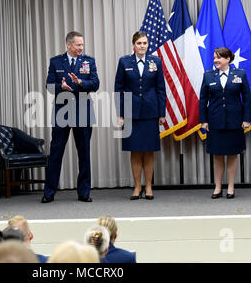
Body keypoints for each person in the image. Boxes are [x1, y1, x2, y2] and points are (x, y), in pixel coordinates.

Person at [42, 31, 100, 203]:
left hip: (83, 112)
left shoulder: (89, 61)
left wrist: (81, 83)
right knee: (56, 153)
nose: (81, 48)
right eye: (78, 45)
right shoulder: (56, 61)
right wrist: (61, 87)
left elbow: (96, 84)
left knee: (84, 154)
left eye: (82, 45)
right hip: (62, 112)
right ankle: (49, 192)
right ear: (69, 45)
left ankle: (84, 192)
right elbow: (49, 86)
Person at [114, 31, 166, 200]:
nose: (142, 46)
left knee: (149, 151)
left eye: (144, 43)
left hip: (151, 112)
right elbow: (119, 89)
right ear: (133, 45)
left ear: (147, 44)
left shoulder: (156, 61)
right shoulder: (124, 62)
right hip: (131, 113)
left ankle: (149, 187)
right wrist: (120, 113)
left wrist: (161, 113)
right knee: (135, 151)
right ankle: (137, 187)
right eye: (139, 43)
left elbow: (160, 89)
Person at [199, 47, 251, 199]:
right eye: (214, 57)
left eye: (219, 57)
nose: (215, 60)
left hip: (234, 121)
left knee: (233, 154)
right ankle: (217, 187)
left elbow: (247, 97)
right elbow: (203, 99)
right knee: (217, 155)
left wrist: (246, 119)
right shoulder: (208, 76)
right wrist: (203, 120)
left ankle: (231, 187)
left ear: (228, 59)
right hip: (215, 121)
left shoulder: (240, 74)